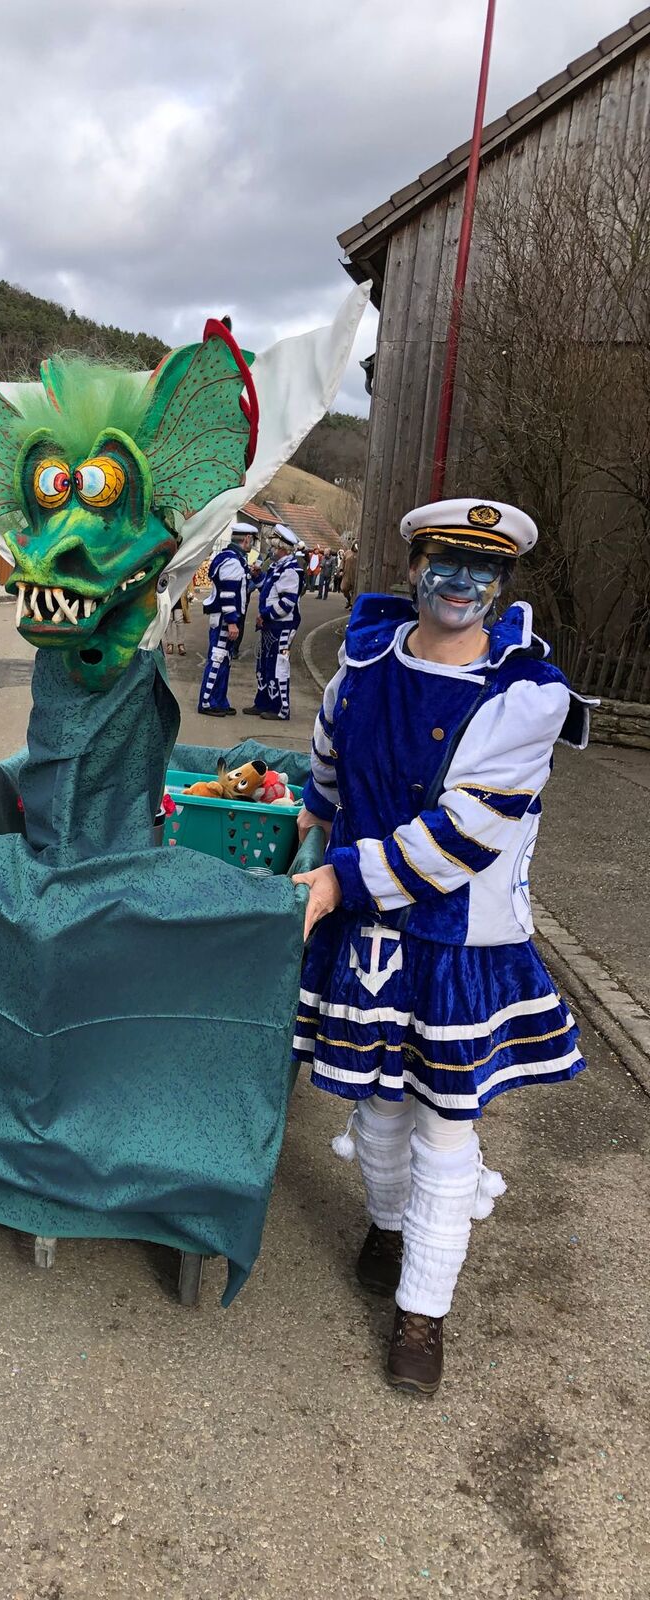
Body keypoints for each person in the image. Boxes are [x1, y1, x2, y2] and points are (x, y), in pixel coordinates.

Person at [291, 498, 589, 1394]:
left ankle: (423, 1311)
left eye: (484, 568)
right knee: (378, 1111)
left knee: (446, 1124)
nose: (463, 582)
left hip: (457, 943)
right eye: (446, 561)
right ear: (414, 566)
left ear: (502, 583)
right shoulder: (363, 663)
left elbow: (465, 835)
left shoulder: (527, 694)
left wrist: (338, 878)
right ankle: (389, 1227)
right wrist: (309, 825)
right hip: (368, 933)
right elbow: (328, 762)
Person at [244, 527, 303, 720]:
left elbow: (287, 603)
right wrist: (258, 577)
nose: (271, 550)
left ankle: (280, 709)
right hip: (271, 626)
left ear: (282, 548)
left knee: (278, 666)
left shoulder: (290, 571)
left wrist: (265, 615)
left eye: (274, 547)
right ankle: (263, 703)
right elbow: (269, 592)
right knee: (264, 665)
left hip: (283, 627)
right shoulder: (277, 567)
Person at [196, 522, 251, 716]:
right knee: (218, 659)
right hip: (224, 620)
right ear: (247, 539)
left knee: (224, 660)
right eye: (252, 540)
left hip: (222, 618)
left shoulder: (229, 557)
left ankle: (219, 700)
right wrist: (232, 621)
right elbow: (228, 594)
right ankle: (207, 703)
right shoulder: (233, 562)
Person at [341, 539, 359, 609]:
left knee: (354, 590)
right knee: (344, 588)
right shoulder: (347, 553)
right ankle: (348, 599)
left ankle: (352, 603)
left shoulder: (359, 554)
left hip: (355, 574)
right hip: (347, 574)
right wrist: (341, 570)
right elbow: (342, 562)